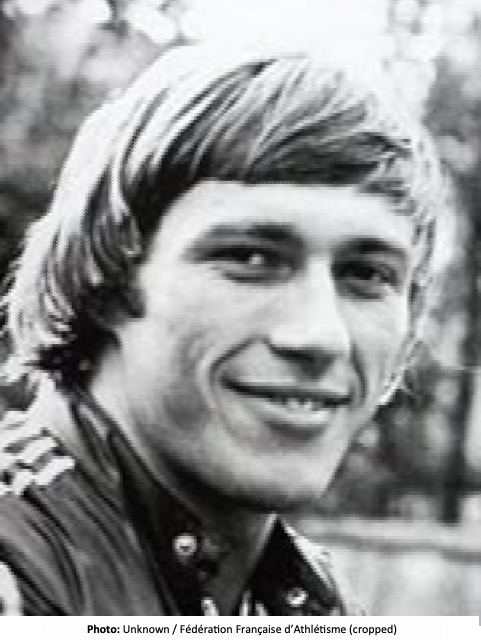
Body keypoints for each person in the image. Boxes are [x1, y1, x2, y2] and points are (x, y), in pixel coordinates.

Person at [0, 43, 442, 616]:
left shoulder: (304, 602)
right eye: (251, 259)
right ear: (105, 277)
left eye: (366, 274)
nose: (321, 336)